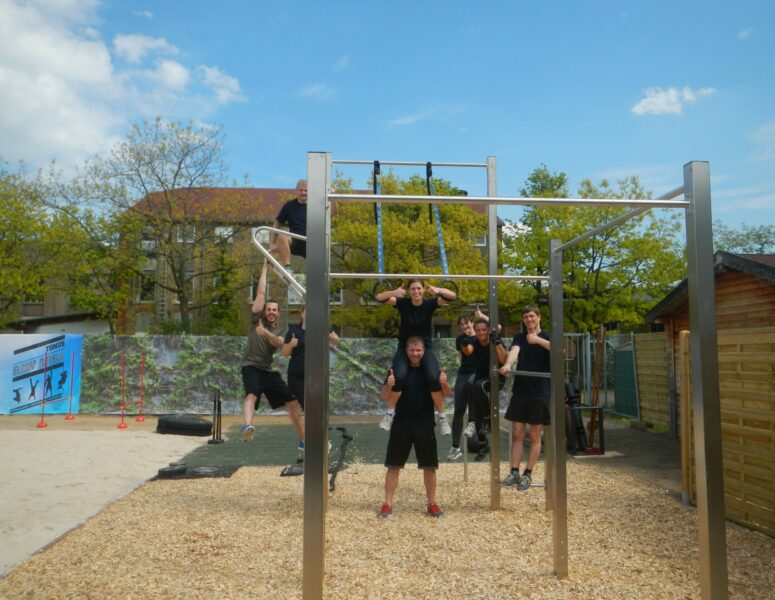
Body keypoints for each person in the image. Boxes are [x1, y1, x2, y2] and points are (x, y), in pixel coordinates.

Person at [377, 336, 452, 519]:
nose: (415, 354)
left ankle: (432, 503)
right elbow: (384, 396)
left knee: (429, 467)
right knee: (393, 466)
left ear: (424, 351)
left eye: (418, 350)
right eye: (412, 350)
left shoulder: (431, 372)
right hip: (401, 424)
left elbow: (447, 393)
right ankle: (387, 503)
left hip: (425, 424)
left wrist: (444, 382)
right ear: (406, 351)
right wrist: (389, 384)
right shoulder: (397, 370)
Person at [375, 279, 456, 435]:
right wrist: (393, 293)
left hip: (424, 348)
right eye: (413, 289)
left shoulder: (429, 304)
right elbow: (378, 297)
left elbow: (453, 296)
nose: (416, 291)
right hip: (405, 348)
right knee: (398, 376)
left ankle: (442, 418)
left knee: (434, 377)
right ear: (409, 291)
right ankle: (389, 414)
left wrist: (438, 289)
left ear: (423, 290)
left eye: (419, 288)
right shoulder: (402, 303)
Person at [240, 260, 304, 452]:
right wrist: (265, 268)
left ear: (278, 313)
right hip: (251, 366)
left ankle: (303, 440)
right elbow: (260, 293)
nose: (271, 312)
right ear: (264, 311)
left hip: (268, 371)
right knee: (251, 395)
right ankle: (247, 425)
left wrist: (266, 333)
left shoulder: (281, 327)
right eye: (268, 309)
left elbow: (279, 343)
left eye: (274, 310)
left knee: (293, 402)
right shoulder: (255, 319)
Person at [498, 305, 551, 491]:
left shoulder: (547, 336)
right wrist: (507, 365)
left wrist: (537, 340)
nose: (529, 320)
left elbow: (560, 352)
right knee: (517, 432)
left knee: (535, 434)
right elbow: (514, 351)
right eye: (526, 317)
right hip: (521, 390)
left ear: (539, 317)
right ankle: (514, 472)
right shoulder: (519, 337)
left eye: (531, 316)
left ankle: (527, 474)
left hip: (540, 391)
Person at [447, 306, 495, 460]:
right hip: (464, 372)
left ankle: (474, 424)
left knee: (473, 388)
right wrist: (468, 337)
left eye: (467, 324)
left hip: (478, 373)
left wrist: (482, 315)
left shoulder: (482, 335)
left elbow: (496, 327)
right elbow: (468, 351)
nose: (464, 327)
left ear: (472, 323)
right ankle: (455, 447)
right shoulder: (461, 339)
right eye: (461, 325)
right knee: (459, 409)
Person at [463, 319, 507, 461]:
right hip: (481, 378)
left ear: (488, 330)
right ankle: (483, 446)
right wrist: (465, 342)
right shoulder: (475, 342)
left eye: (483, 330)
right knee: (476, 412)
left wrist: (497, 342)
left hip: (496, 377)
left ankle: (488, 420)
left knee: (478, 386)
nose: (481, 332)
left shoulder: (495, 340)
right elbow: (468, 351)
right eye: (478, 330)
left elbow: (503, 359)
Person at [281, 305, 340, 409]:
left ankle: (314, 425)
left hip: (315, 375)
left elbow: (336, 341)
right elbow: (285, 354)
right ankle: (310, 425)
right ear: (302, 314)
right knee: (306, 405)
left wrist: (331, 337)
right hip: (297, 376)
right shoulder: (293, 331)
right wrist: (291, 344)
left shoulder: (321, 329)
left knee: (316, 405)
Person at [271, 179, 307, 272]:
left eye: (306, 190)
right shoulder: (289, 205)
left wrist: (333, 198)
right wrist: (272, 243)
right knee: (282, 236)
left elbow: (333, 213)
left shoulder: (315, 205)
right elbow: (277, 223)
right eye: (301, 190)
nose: (303, 192)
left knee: (316, 273)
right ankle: (287, 268)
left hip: (310, 244)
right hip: (295, 241)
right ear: (296, 191)